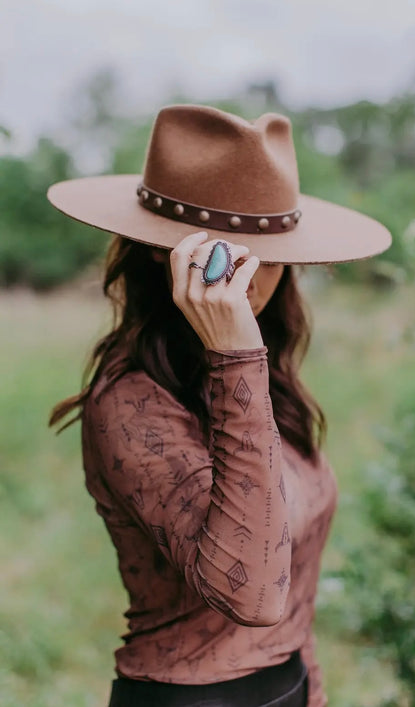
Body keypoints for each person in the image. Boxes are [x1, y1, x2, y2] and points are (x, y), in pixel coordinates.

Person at [47, 104, 391, 707]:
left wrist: (311, 688)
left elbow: (292, 576)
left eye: (271, 246)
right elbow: (253, 593)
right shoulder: (129, 400)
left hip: (288, 687)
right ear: (164, 251)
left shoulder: (264, 379)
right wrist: (234, 351)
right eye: (230, 248)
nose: (253, 271)